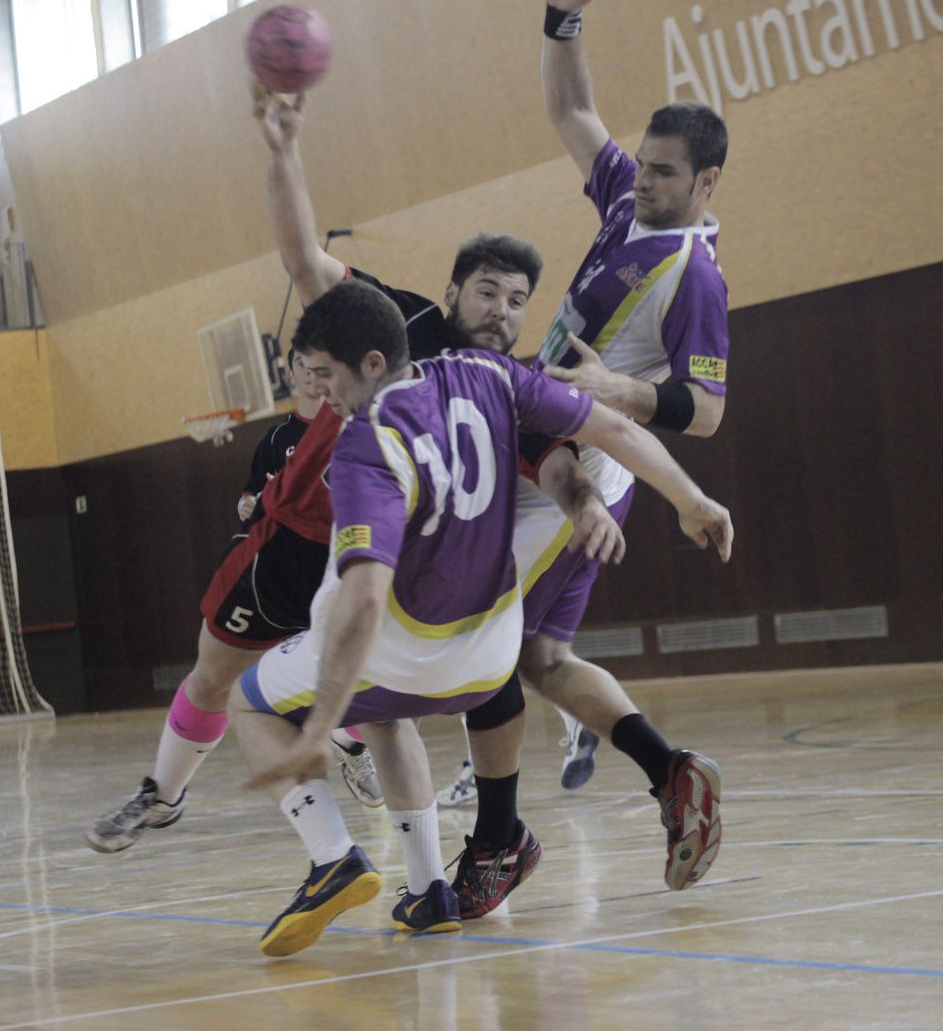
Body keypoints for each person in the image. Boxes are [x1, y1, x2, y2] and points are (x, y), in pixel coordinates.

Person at [233, 279, 733, 956]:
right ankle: (434, 886)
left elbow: (366, 595)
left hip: (411, 654)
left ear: (374, 364)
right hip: (493, 661)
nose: (321, 393)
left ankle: (333, 857)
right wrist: (692, 497)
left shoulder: (363, 444)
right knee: (402, 704)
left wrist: (321, 724)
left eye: (326, 375)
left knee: (250, 698)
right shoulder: (488, 372)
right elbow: (609, 426)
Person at [254, 87, 621, 919]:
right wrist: (285, 153)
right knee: (384, 711)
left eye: (519, 300)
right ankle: (426, 873)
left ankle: (476, 841)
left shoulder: (511, 387)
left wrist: (585, 501)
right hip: (372, 566)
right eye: (488, 292)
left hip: (434, 594)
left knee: (483, 664)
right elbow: (306, 261)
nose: (503, 311)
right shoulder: (402, 321)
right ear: (453, 292)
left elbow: (560, 462)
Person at [438, 0, 734, 895]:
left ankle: (497, 838)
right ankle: (672, 772)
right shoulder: (623, 200)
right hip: (541, 437)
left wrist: (621, 388)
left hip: (579, 467)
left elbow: (710, 408)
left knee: (479, 633)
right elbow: (571, 112)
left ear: (706, 180)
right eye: (641, 162)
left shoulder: (695, 275)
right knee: (540, 656)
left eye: (663, 172)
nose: (641, 178)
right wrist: (561, 18)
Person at [85, 343, 383, 853]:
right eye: (307, 367)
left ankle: (354, 757)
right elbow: (254, 500)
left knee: (360, 687)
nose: (316, 377)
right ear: (291, 372)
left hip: (346, 571)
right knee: (214, 679)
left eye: (326, 366)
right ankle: (164, 794)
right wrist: (254, 502)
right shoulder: (276, 440)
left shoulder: (375, 423)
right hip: (274, 575)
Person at [236, 348, 315, 524]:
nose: (309, 369)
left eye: (314, 361)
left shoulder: (349, 426)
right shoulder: (276, 438)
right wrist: (246, 506)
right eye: (301, 363)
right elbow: (248, 496)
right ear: (291, 376)